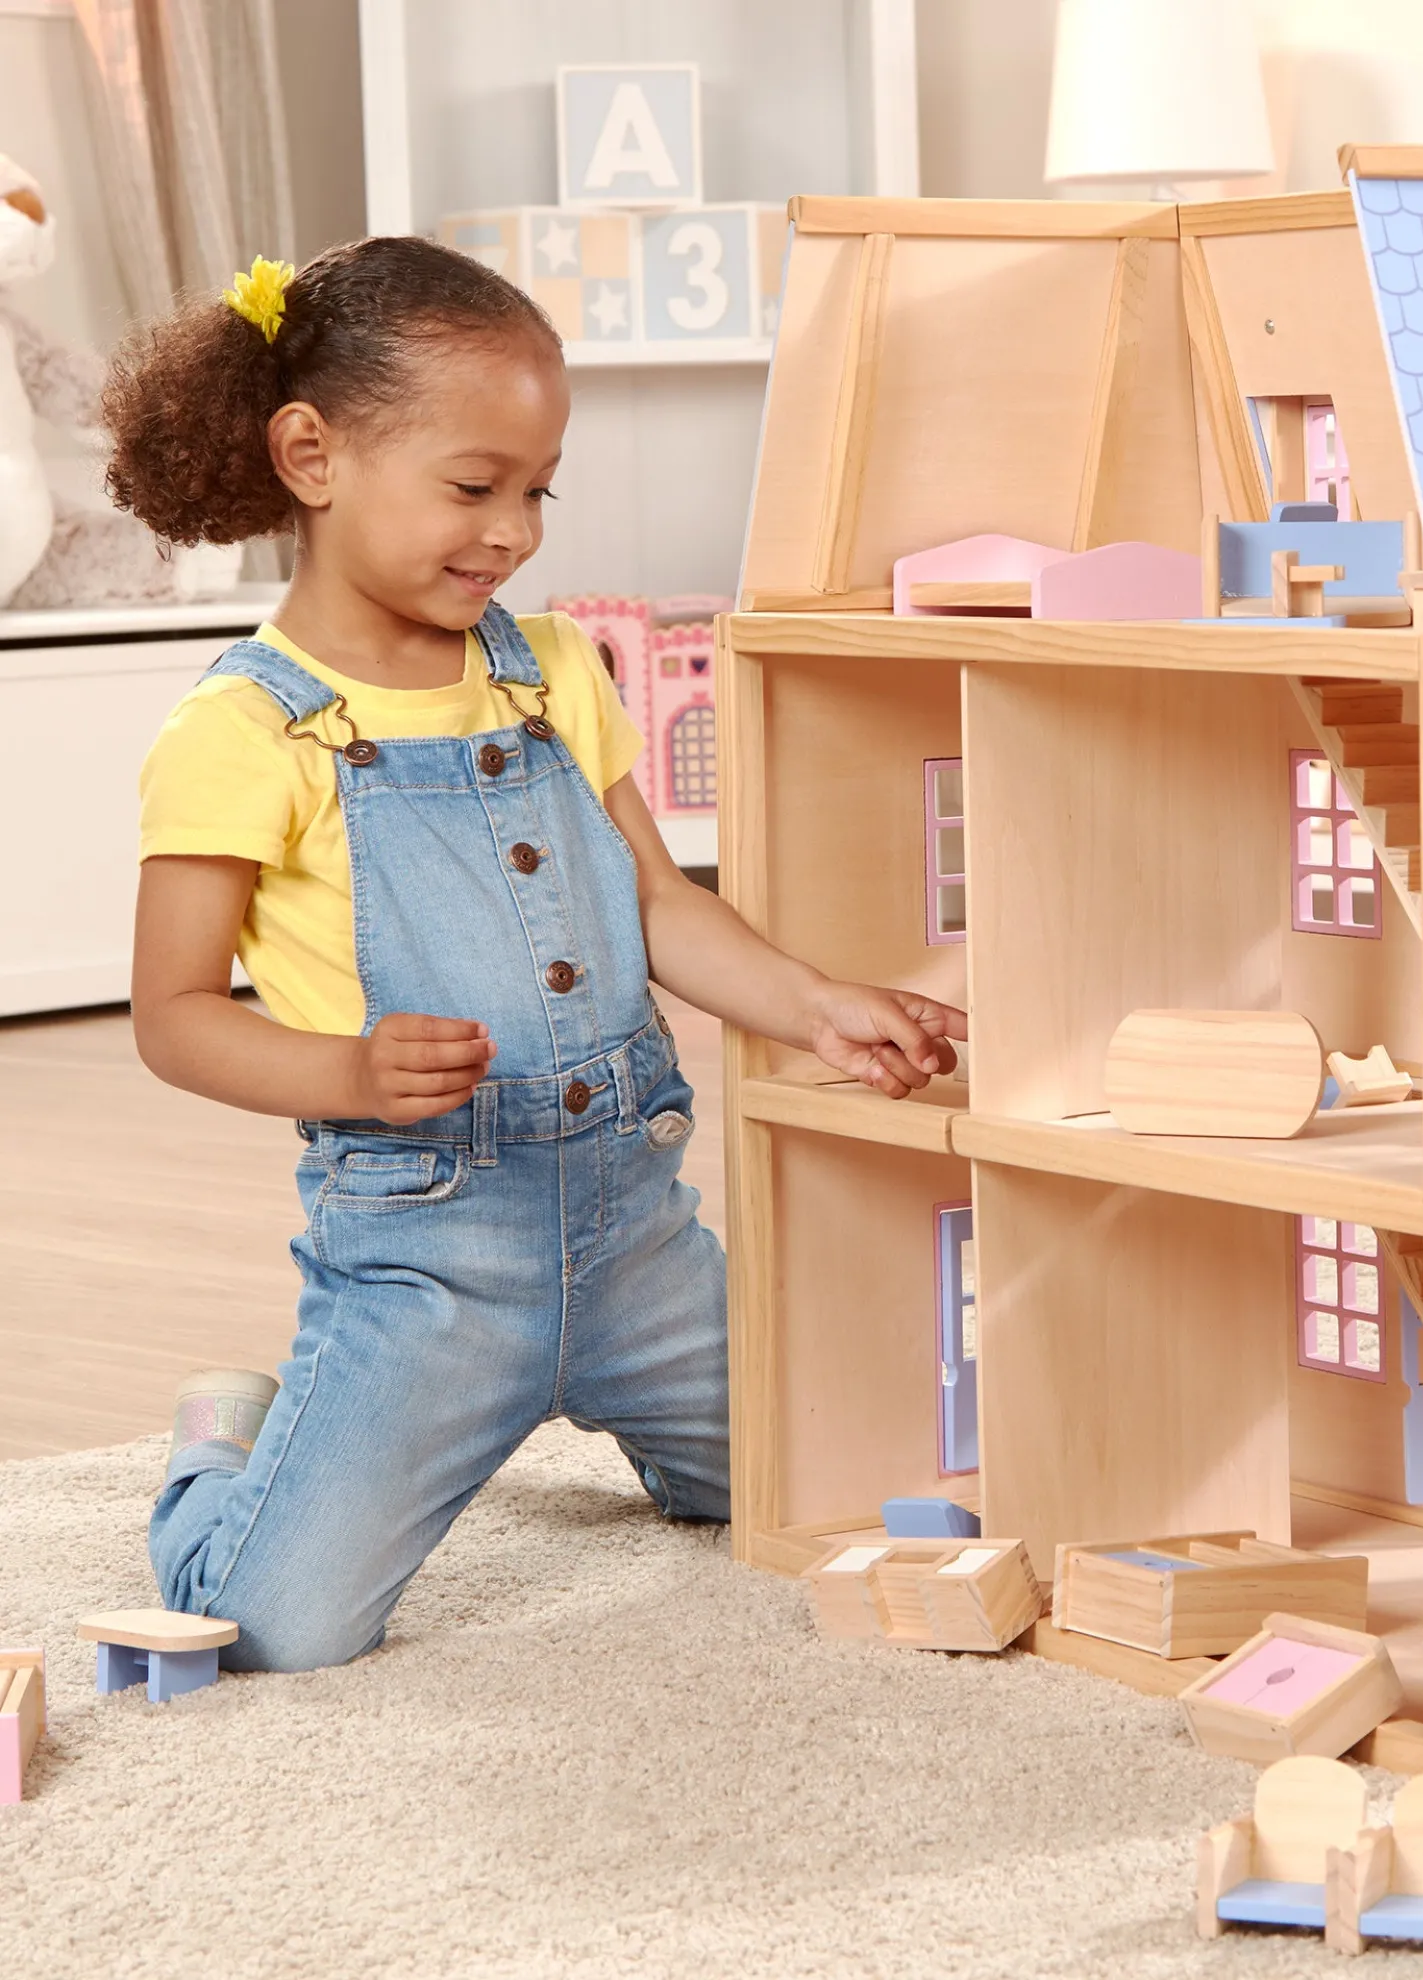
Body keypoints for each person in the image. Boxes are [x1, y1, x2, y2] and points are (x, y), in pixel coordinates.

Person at [111, 239, 964, 1672]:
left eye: (538, 490)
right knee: (271, 1628)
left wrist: (814, 1004)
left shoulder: (552, 668)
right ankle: (223, 1451)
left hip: (638, 1246)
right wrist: (347, 1073)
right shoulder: (241, 731)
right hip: (430, 1268)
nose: (513, 531)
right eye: (473, 487)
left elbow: (657, 904)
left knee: (842, 1491)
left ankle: (656, 1422)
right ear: (312, 457)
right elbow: (174, 1014)